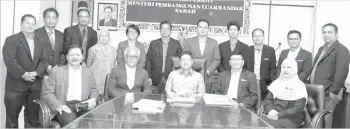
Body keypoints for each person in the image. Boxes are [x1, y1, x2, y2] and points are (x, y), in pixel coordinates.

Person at [2, 14, 48, 128]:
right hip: (16, 86)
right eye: (27, 23)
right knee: (12, 121)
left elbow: (44, 60)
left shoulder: (40, 41)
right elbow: (9, 60)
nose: (30, 26)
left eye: (33, 24)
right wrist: (23, 74)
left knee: (33, 121)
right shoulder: (11, 39)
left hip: (34, 86)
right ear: (21, 24)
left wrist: (36, 72)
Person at [43, 44, 99, 126]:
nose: (75, 57)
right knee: (72, 123)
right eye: (71, 55)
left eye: (78, 55)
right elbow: (47, 93)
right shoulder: (57, 71)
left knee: (89, 122)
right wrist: (59, 105)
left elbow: (94, 89)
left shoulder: (88, 72)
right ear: (67, 57)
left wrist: (93, 99)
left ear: (82, 57)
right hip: (64, 105)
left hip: (82, 104)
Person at [309, 23, 350, 128]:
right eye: (324, 32)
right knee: (318, 120)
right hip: (318, 91)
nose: (326, 35)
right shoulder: (322, 48)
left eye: (329, 32)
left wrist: (333, 93)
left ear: (336, 34)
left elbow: (342, 73)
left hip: (329, 92)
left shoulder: (342, 50)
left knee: (326, 120)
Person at [262, 58, 307, 128]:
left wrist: (278, 115)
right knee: (258, 123)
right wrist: (270, 110)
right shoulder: (276, 83)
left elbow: (298, 108)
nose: (285, 70)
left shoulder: (300, 86)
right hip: (272, 114)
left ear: (295, 69)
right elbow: (268, 100)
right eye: (283, 67)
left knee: (268, 126)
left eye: (289, 67)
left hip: (290, 118)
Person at [146, 21, 183, 94]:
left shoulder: (176, 44)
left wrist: (179, 77)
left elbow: (181, 61)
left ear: (170, 31)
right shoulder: (153, 43)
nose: (165, 30)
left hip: (172, 77)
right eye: (162, 28)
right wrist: (148, 76)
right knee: (155, 100)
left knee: (169, 100)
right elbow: (148, 60)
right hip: (155, 77)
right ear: (160, 30)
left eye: (167, 28)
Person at [184, 19, 220, 93]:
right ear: (196, 29)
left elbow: (217, 59)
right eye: (200, 27)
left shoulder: (214, 42)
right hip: (191, 76)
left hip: (208, 78)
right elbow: (185, 58)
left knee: (206, 100)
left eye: (205, 27)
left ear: (208, 29)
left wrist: (208, 71)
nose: (202, 29)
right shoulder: (189, 41)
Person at [242, 28, 277, 99]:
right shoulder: (247, 50)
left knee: (264, 103)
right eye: (255, 36)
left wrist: (272, 84)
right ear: (252, 38)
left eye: (260, 36)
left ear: (263, 37)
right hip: (250, 82)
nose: (257, 38)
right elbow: (244, 67)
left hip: (265, 83)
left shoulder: (270, 50)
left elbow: (273, 69)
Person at [35, 7, 66, 74]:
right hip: (40, 72)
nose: (51, 20)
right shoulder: (36, 33)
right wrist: (46, 66)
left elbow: (63, 53)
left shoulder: (61, 35)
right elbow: (35, 53)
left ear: (57, 20)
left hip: (57, 71)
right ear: (44, 19)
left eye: (54, 18)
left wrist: (58, 66)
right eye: (48, 17)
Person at [87, 30, 117, 95]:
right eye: (101, 35)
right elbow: (89, 65)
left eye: (106, 35)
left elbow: (114, 65)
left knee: (107, 96)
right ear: (98, 37)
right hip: (96, 77)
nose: (104, 37)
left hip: (109, 77)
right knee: (96, 97)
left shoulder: (113, 50)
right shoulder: (93, 49)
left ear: (109, 37)